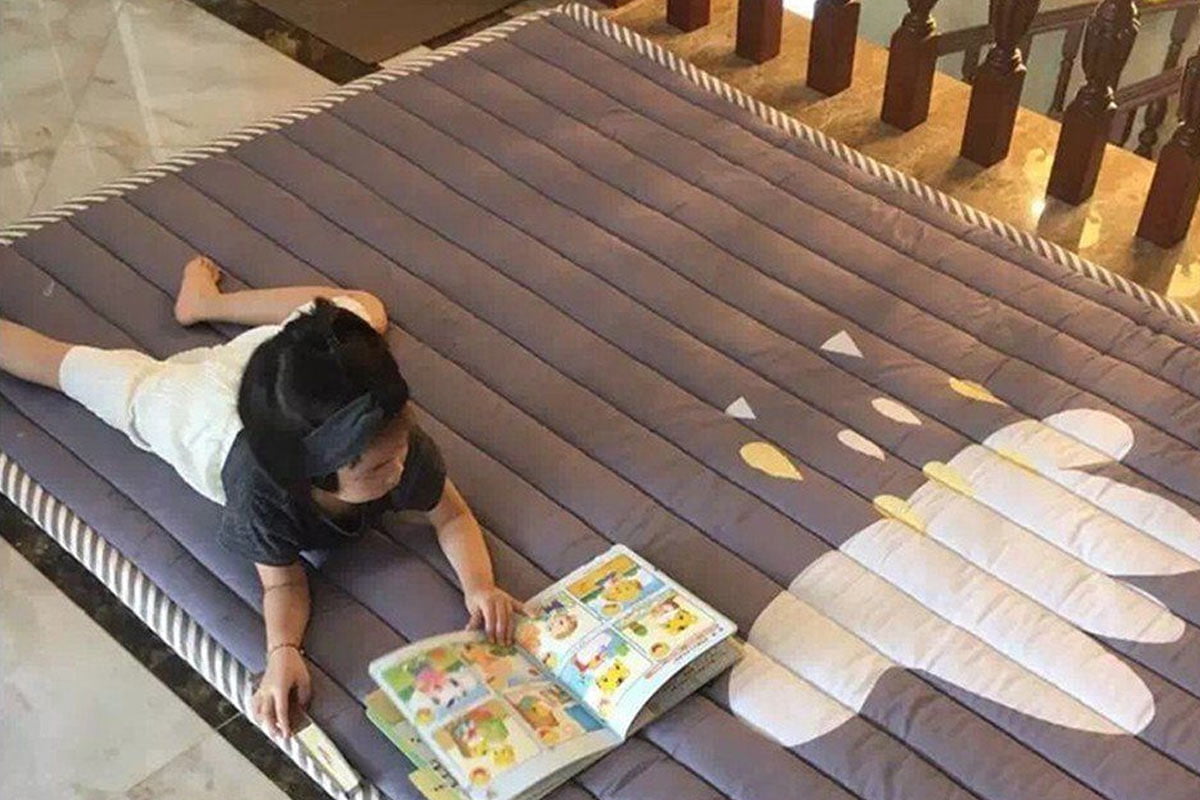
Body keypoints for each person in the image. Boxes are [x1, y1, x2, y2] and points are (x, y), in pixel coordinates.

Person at [0, 255, 523, 739]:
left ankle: (204, 305)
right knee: (66, 368)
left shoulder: (391, 440)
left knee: (362, 308)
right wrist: (283, 652)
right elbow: (282, 583)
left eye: (402, 449)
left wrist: (480, 586)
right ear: (315, 477)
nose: (403, 467)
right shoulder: (262, 493)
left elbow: (451, 514)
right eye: (381, 467)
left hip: (265, 374)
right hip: (189, 414)